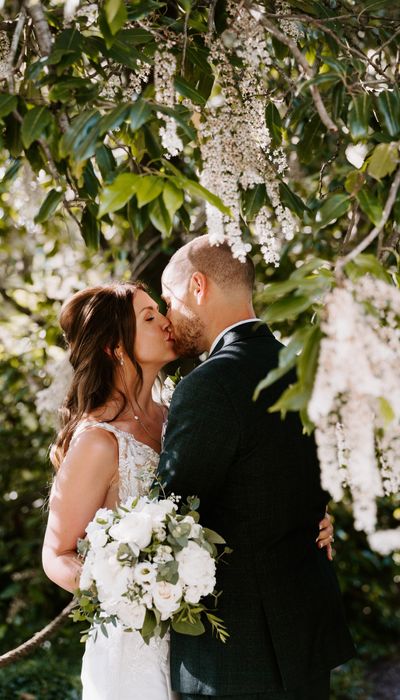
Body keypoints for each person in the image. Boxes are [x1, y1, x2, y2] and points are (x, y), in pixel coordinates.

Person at [42, 276, 334, 700]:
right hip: (135, 646)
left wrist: (309, 516)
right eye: (148, 316)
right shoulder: (97, 442)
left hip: (201, 645)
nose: (165, 321)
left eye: (159, 310)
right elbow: (57, 553)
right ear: (115, 347)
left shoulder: (181, 408)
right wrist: (128, 585)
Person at [158, 235, 355, 700]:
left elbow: (169, 511)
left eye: (168, 301)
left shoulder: (209, 384)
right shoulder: (305, 366)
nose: (168, 319)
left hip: (237, 657)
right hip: (306, 634)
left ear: (197, 287)